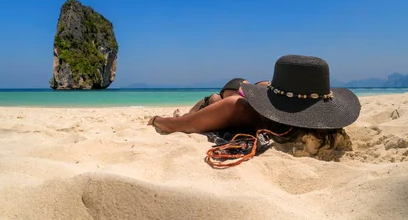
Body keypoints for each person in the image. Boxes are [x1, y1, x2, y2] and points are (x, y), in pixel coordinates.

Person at [148, 55, 361, 153]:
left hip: (228, 106)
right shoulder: (327, 128)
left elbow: (177, 126)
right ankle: (259, 86)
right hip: (263, 101)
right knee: (251, 85)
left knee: (217, 97)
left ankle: (214, 97)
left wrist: (157, 120)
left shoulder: (238, 106)